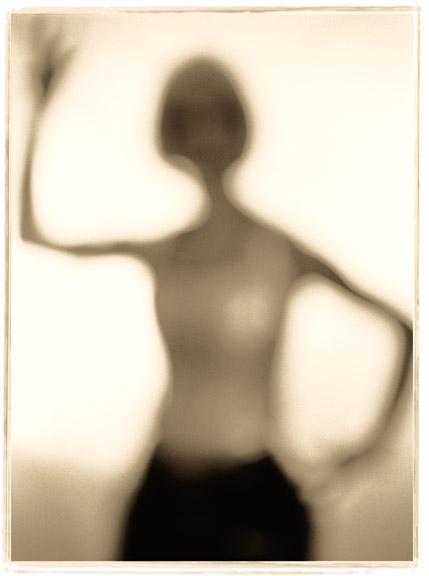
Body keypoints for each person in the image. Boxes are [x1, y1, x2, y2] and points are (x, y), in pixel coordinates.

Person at [19, 44, 413, 561]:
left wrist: (370, 447)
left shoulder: (278, 251)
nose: (204, 133)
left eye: (216, 117)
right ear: (171, 133)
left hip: (254, 500)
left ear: (238, 126)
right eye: (188, 119)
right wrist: (39, 107)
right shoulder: (164, 250)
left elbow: (404, 327)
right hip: (165, 491)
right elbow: (34, 232)